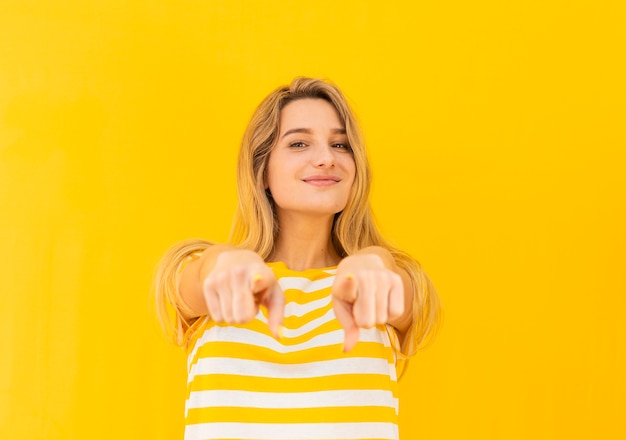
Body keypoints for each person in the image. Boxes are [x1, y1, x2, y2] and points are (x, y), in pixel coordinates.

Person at [155, 77, 440, 440]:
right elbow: (195, 283)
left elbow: (402, 298)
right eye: (299, 143)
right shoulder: (207, 272)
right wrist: (220, 260)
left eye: (340, 145)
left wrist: (377, 262)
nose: (326, 159)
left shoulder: (386, 279)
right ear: (263, 171)